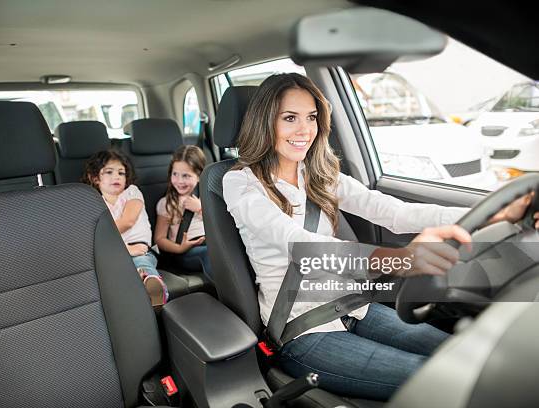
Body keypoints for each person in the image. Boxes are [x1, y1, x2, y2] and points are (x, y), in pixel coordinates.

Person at [222, 73, 539, 400]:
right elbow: (303, 248)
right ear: (264, 122)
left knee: (467, 353)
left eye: (312, 117)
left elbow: (397, 213)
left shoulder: (318, 174)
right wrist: (402, 259)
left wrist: (494, 213)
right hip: (303, 330)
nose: (305, 130)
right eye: (290, 118)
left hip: (355, 306)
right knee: (446, 377)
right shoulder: (241, 184)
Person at [82, 149, 168, 306]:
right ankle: (136, 284)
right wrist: (123, 249)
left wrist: (122, 246)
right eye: (109, 172)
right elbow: (91, 236)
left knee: (142, 262)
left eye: (121, 173)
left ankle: (153, 287)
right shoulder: (94, 202)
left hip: (139, 249)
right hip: (111, 253)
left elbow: (128, 221)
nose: (116, 176)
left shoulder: (131, 192)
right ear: (95, 178)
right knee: (112, 271)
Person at [154, 145, 213, 282]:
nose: (179, 181)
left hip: (211, 242)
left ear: (199, 176)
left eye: (186, 176)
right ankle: (229, 295)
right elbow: (159, 239)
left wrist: (200, 209)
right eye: (175, 174)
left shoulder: (207, 197)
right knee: (210, 254)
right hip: (186, 252)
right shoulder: (167, 203)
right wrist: (180, 248)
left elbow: (219, 226)